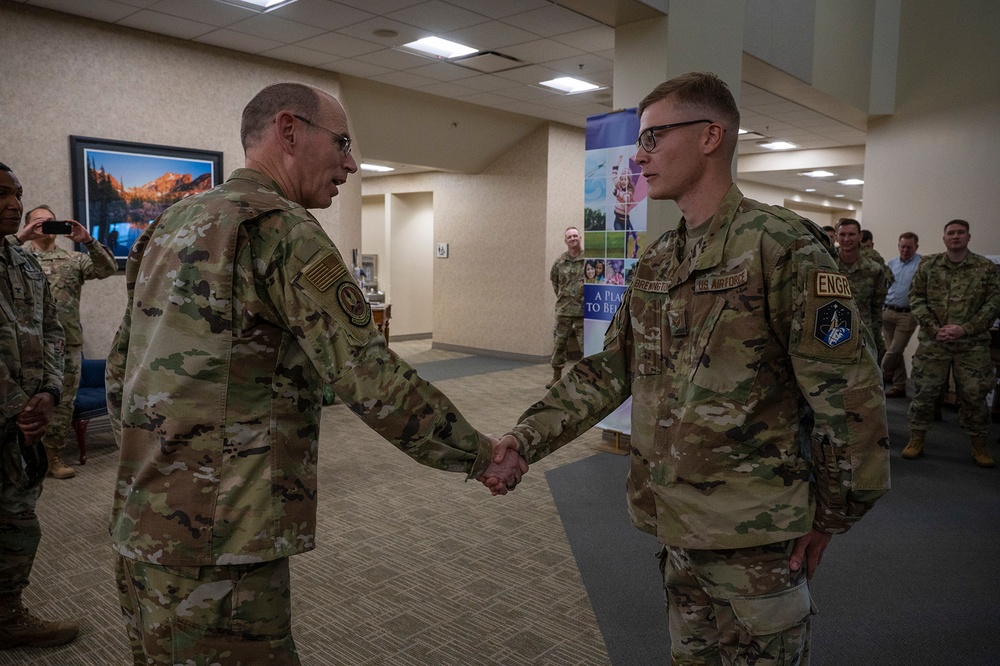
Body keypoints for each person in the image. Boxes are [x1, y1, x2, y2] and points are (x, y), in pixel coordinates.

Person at [106, 83, 524, 665]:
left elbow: (122, 368)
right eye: (344, 143)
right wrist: (479, 455)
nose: (351, 164)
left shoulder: (171, 222)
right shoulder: (281, 231)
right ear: (289, 130)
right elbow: (370, 376)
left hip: (146, 516)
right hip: (221, 536)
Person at [490, 72, 890, 665]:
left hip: (756, 539)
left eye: (653, 137)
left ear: (711, 136)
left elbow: (849, 396)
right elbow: (610, 370)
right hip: (676, 526)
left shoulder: (781, 246)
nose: (640, 155)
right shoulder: (659, 260)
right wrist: (524, 439)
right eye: (639, 140)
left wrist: (832, 515)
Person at [0, 162, 79, 649]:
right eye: (1, 195)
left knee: (17, 520)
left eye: (16, 194)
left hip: (23, 422)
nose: (11, 204)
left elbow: (52, 329)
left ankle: (8, 612)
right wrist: (17, 406)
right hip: (13, 415)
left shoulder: (25, 263)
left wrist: (48, 393)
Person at [13, 205, 116, 479]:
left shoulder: (73, 259)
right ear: (28, 226)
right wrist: (21, 238)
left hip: (66, 345)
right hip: (25, 346)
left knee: (64, 402)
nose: (46, 225)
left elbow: (108, 268)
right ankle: (22, 459)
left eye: (50, 221)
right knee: (23, 404)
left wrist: (88, 241)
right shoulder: (15, 257)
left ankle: (53, 456)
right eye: (39, 222)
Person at [902, 219, 1000, 467]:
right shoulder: (929, 265)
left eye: (960, 233)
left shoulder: (986, 268)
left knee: (974, 395)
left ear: (968, 237)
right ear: (944, 238)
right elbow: (916, 298)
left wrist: (964, 329)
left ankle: (979, 445)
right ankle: (917, 438)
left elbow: (994, 303)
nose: (955, 237)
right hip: (935, 341)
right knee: (924, 391)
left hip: (972, 343)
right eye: (951, 233)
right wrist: (935, 329)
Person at [836, 218, 888, 361]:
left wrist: (878, 342)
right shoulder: (825, 266)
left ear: (860, 236)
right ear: (836, 237)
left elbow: (876, 310)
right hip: (831, 334)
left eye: (851, 234)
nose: (846, 239)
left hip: (862, 334)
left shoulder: (873, 270)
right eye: (842, 234)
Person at [882, 232, 921, 398]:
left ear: (916, 247)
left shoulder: (921, 265)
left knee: (894, 351)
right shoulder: (891, 263)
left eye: (909, 247)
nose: (905, 250)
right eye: (902, 246)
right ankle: (899, 385)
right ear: (898, 246)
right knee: (894, 351)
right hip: (887, 312)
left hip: (907, 315)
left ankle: (879, 374)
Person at [547, 226, 585, 388]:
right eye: (569, 237)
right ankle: (556, 375)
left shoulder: (589, 259)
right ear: (565, 241)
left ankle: (587, 377)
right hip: (564, 310)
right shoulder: (559, 262)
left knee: (587, 345)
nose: (573, 239)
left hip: (583, 310)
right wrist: (565, 297)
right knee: (559, 344)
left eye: (575, 236)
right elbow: (555, 283)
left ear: (580, 238)